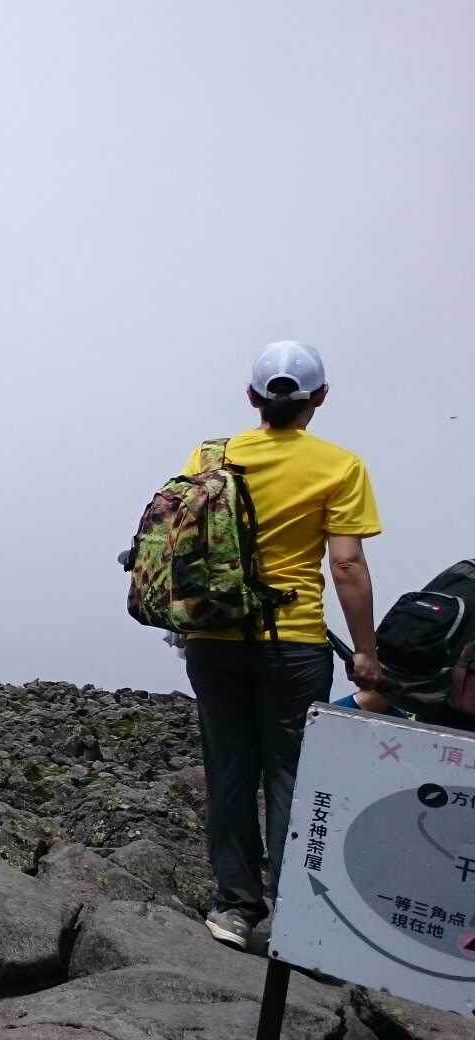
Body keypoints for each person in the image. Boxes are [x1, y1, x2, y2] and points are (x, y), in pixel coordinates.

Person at [181, 341, 381, 951]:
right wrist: (366, 652)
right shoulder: (339, 466)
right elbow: (345, 565)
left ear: (252, 397)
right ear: (320, 398)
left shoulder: (210, 456)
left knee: (229, 769)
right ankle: (296, 914)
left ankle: (235, 908)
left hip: (212, 637)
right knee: (291, 771)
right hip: (293, 643)